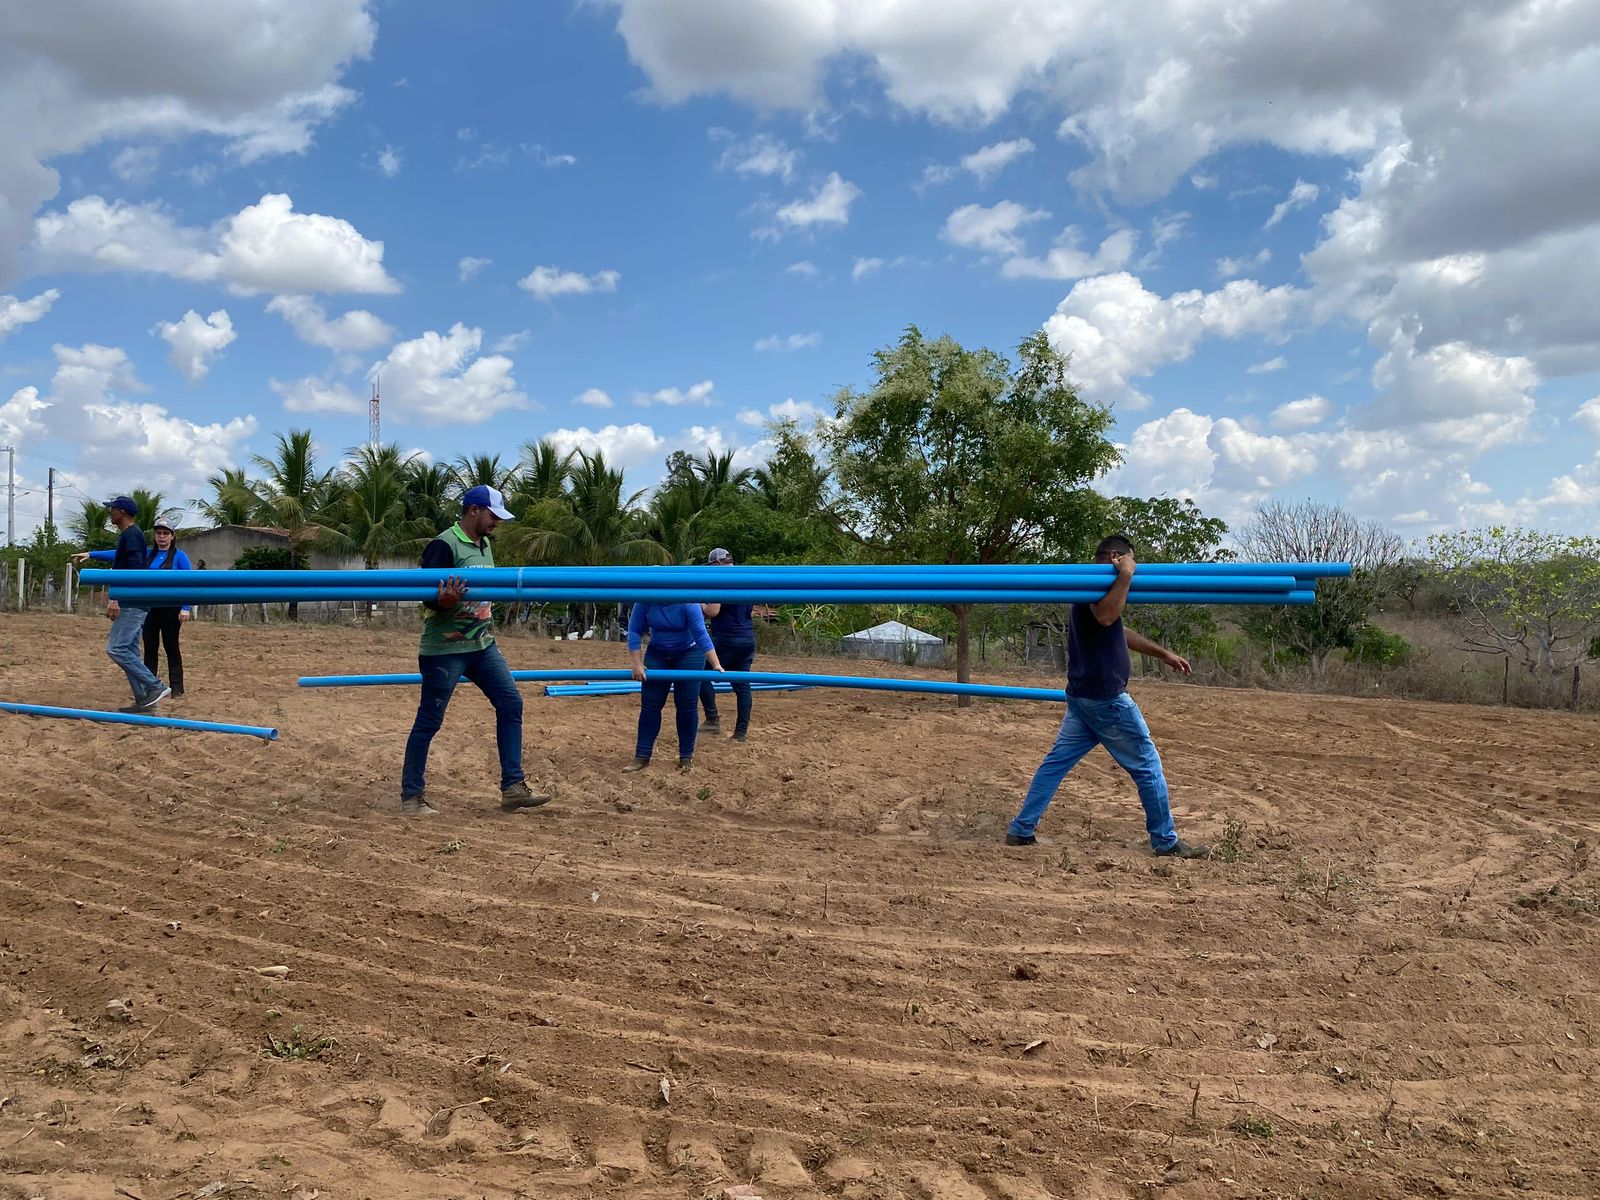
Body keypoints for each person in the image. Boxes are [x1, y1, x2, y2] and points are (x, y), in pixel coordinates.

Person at [1005, 535, 1211, 859]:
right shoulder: (1096, 583)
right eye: (1131, 560)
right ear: (1116, 557)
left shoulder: (1094, 585)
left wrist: (1163, 654)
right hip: (1106, 699)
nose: (1133, 567)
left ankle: (1021, 829)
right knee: (1148, 765)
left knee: (1055, 764)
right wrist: (1126, 575)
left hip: (1083, 697)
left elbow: (1117, 628)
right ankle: (1166, 841)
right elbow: (1106, 617)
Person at [400, 485, 550, 817]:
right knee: (429, 721)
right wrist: (443, 601)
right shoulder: (444, 545)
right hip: (445, 649)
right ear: (474, 511)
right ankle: (412, 796)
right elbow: (426, 595)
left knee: (511, 702)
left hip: (482, 645)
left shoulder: (484, 547)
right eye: (493, 516)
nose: (496, 522)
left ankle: (513, 787)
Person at [71, 496, 170, 712]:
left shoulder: (132, 535)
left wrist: (115, 598)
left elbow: (133, 571)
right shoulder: (130, 535)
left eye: (112, 509)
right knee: (130, 650)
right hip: (132, 599)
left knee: (116, 648)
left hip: (132, 601)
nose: (110, 513)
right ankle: (144, 701)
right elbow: (123, 559)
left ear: (122, 512)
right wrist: (92, 553)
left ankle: (155, 686)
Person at [624, 599, 724, 773]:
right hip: (658, 652)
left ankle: (686, 757)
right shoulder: (645, 600)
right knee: (650, 704)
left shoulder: (687, 600)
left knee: (686, 704)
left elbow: (700, 633)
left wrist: (715, 664)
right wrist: (637, 663)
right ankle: (642, 756)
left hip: (689, 653)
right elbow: (634, 630)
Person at [697, 547, 758, 742]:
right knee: (742, 685)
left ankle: (712, 719)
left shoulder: (721, 580)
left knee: (699, 674)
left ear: (717, 564)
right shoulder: (746, 580)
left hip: (727, 638)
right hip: (747, 638)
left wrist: (699, 603)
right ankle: (741, 732)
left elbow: (712, 611)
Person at [141, 514, 193, 697]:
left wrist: (186, 607)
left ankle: (177, 689)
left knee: (171, 647)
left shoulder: (180, 556)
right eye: (158, 533)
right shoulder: (148, 553)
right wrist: (92, 554)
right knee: (150, 647)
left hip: (171, 608)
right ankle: (150, 686)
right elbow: (120, 554)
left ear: (172, 536)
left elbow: (189, 583)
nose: (161, 537)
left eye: (165, 533)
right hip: (149, 609)